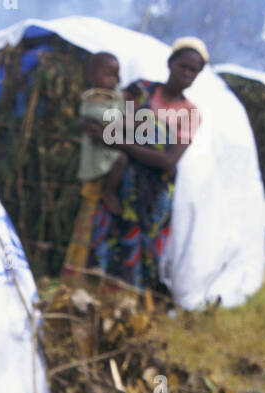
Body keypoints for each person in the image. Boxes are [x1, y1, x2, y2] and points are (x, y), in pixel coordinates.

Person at [84, 38, 207, 293]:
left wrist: (120, 144)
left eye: (193, 70)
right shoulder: (140, 90)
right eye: (183, 66)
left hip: (154, 190)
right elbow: (110, 119)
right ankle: (94, 294)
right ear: (170, 63)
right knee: (107, 234)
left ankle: (131, 299)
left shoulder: (190, 113)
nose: (187, 73)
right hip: (118, 178)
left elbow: (167, 160)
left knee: (142, 242)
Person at [63, 52, 127, 282]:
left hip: (111, 148)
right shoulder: (91, 99)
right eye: (107, 74)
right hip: (100, 158)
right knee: (89, 216)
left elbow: (122, 116)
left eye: (116, 74)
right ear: (92, 75)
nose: (113, 79)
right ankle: (78, 276)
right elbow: (98, 117)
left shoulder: (116, 96)